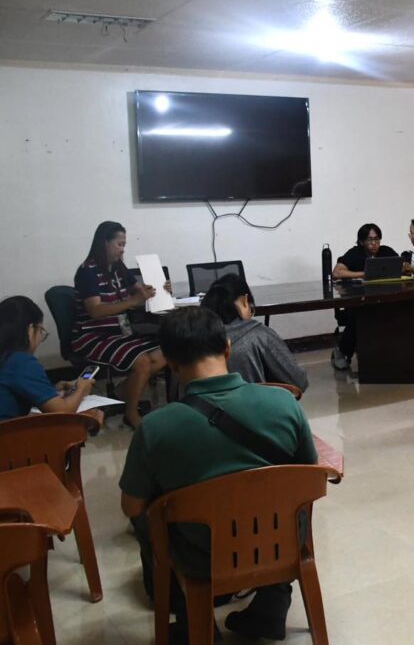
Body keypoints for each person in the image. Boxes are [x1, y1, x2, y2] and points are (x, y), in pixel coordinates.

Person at [119, 306, 317, 642]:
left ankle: (192, 621)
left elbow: (131, 506)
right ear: (227, 348)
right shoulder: (284, 403)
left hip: (202, 556)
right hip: (279, 542)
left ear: (170, 362)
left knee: (147, 515)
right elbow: (308, 477)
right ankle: (272, 605)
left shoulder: (154, 428)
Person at [72, 221, 169, 428]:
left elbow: (140, 291)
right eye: (119, 244)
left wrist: (159, 290)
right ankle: (130, 414)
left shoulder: (118, 268)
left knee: (166, 351)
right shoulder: (87, 272)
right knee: (142, 362)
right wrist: (133, 301)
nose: (123, 249)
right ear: (104, 243)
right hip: (93, 335)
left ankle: (118, 394)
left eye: (124, 244)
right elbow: (95, 310)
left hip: (120, 332)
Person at [0, 295, 102, 423]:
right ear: (31, 330)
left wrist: (51, 391)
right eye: (41, 331)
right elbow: (62, 413)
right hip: (7, 433)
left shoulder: (6, 357)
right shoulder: (21, 361)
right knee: (91, 416)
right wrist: (82, 388)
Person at [201, 273, 309, 392]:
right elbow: (298, 382)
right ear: (245, 301)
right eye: (251, 309)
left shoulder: (195, 339)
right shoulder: (259, 335)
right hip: (253, 402)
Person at [331, 223, 400, 371]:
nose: (374, 243)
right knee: (360, 315)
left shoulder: (386, 251)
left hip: (384, 299)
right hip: (358, 300)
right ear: (362, 241)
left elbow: (401, 265)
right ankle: (342, 351)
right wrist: (364, 274)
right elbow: (336, 272)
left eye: (377, 239)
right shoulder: (355, 253)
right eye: (370, 239)